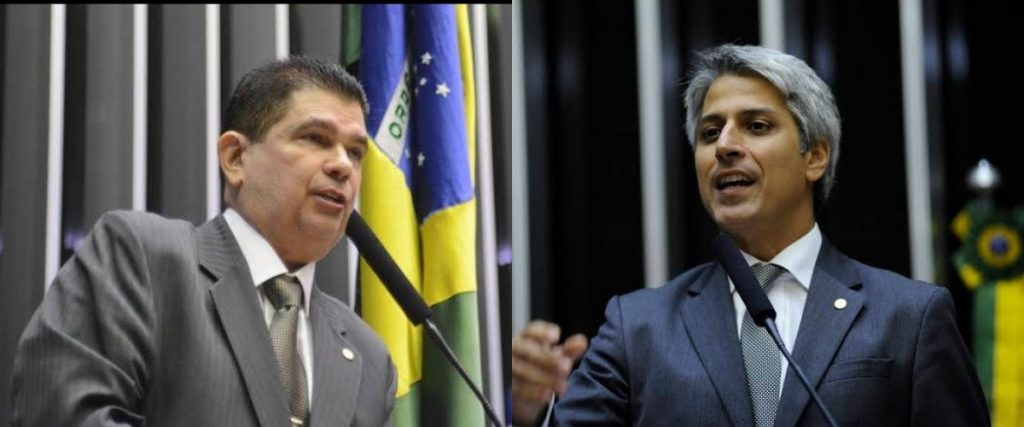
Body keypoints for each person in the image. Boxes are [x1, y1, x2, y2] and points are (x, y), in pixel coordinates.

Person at [511, 44, 989, 426]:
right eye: (709, 133)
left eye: (756, 126)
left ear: (814, 156)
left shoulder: (909, 317)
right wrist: (529, 411)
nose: (724, 146)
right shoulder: (636, 328)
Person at [11, 56, 395, 426]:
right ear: (235, 158)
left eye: (355, 152)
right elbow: (64, 413)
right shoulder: (144, 260)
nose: (343, 166)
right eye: (315, 138)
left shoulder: (370, 357)